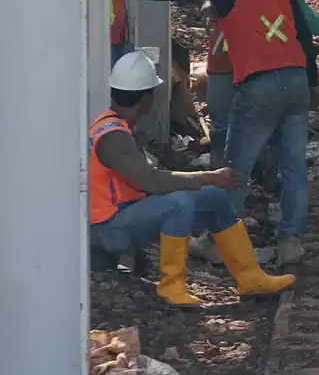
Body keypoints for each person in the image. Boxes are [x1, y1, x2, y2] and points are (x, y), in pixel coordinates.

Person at [112, 0, 319, 265]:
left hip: (260, 83)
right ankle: (291, 242)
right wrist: (313, 82)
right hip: (295, 79)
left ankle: (218, 242)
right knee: (294, 166)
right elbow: (301, 29)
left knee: (234, 168)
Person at [91, 52, 295, 305]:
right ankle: (171, 287)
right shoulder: (113, 137)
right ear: (146, 99)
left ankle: (251, 278)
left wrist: (210, 184)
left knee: (214, 197)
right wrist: (208, 176)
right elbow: (153, 182)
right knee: (180, 203)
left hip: (127, 216)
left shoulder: (116, 126)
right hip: (109, 229)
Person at [201, 0, 292, 167]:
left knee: (265, 127)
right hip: (224, 59)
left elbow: (288, 17)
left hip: (261, 61)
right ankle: (220, 188)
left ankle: (265, 186)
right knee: (221, 129)